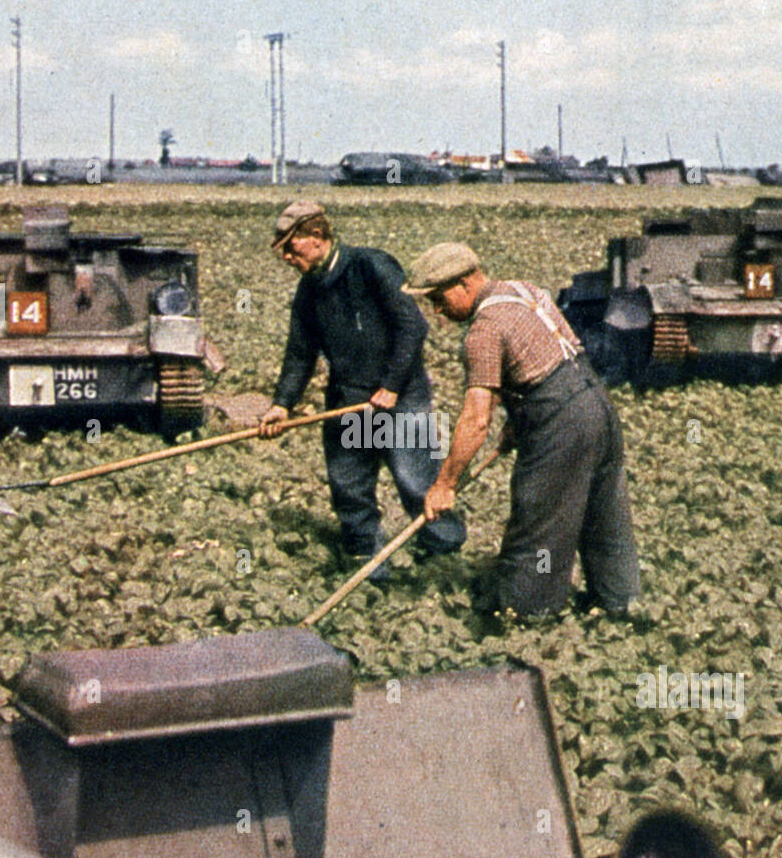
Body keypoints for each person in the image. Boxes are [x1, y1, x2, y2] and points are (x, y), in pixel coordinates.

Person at [403, 242, 640, 616]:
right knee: (604, 515)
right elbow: (542, 359)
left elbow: (477, 419)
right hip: (598, 406)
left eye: (438, 298)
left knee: (540, 525)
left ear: (463, 284)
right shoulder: (525, 290)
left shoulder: (484, 330)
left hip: (562, 426)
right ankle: (620, 601)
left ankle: (527, 611)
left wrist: (445, 483)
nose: (438, 311)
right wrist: (519, 420)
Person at [258, 202, 466, 570]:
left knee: (416, 481)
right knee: (349, 486)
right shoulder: (309, 291)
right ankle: (367, 562)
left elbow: (412, 326)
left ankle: (442, 557)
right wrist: (282, 404)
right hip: (351, 402)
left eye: (292, 247)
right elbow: (300, 352)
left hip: (399, 399)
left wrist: (390, 386)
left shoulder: (371, 267)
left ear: (318, 237)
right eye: (283, 251)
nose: (287, 257)